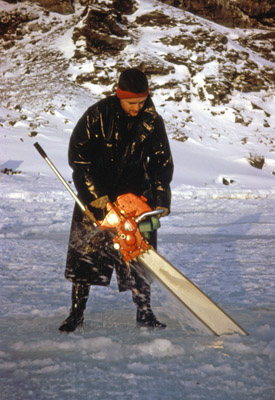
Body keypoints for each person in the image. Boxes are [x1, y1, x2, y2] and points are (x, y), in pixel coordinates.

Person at [59, 68, 174, 333]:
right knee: (85, 256)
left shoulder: (152, 120)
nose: (136, 107)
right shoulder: (96, 115)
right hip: (96, 195)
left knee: (139, 256)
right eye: (130, 102)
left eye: (141, 102)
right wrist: (99, 204)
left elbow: (161, 162)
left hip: (136, 197)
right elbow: (80, 162)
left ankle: (144, 312)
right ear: (118, 95)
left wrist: (160, 198)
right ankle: (76, 313)